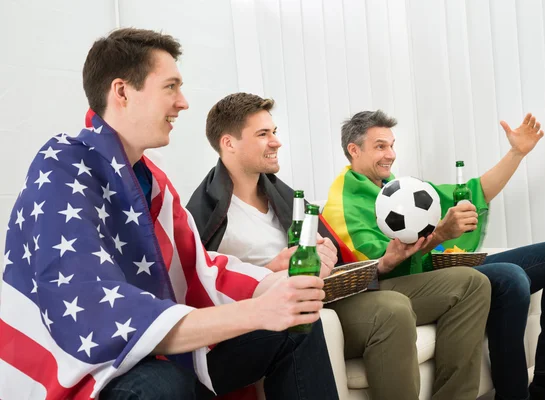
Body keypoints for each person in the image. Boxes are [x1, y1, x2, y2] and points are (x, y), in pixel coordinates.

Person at [0, 29, 339, 400]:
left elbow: (199, 267)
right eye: (171, 87)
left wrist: (273, 284)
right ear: (123, 92)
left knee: (297, 325)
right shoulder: (63, 166)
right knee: (161, 383)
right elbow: (94, 311)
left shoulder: (152, 181)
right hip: (86, 368)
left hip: (154, 348)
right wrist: (259, 312)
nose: (184, 102)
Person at [187, 92, 492, 400]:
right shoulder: (205, 216)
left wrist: (372, 261)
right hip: (290, 311)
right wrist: (271, 270)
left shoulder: (283, 197)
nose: (276, 141)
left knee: (472, 283)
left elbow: (338, 260)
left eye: (274, 132)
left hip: (330, 293)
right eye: (263, 134)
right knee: (392, 310)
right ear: (229, 143)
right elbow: (204, 290)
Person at [323, 110, 545, 400]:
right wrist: (439, 234)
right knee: (510, 277)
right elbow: (383, 268)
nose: (391, 154)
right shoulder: (343, 202)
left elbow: (473, 193)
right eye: (380, 146)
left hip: (439, 266)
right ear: (354, 149)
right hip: (412, 282)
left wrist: (516, 153)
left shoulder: (397, 189)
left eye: (392, 144)